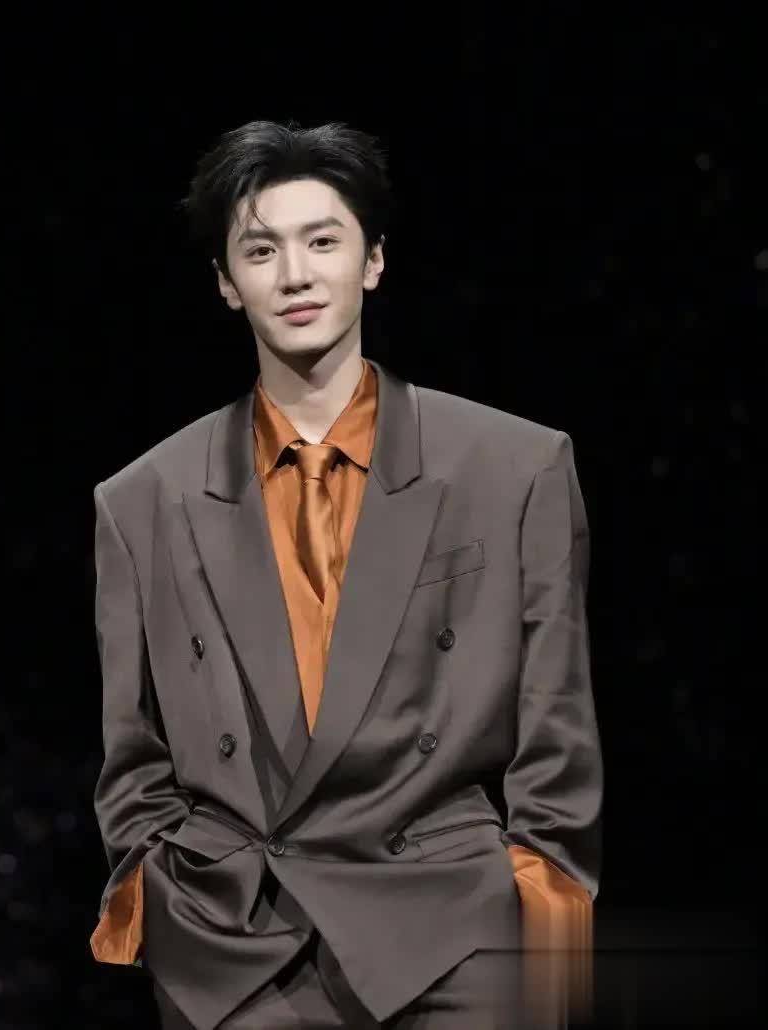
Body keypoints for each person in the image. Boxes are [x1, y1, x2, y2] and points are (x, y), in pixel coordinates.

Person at [87, 121, 601, 1028]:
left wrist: (542, 919)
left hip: (451, 927)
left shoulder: (511, 465)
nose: (294, 275)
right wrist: (154, 891)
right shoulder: (143, 500)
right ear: (224, 281)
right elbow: (133, 752)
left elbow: (555, 726)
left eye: (322, 241)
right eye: (260, 250)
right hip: (238, 944)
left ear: (372, 260)